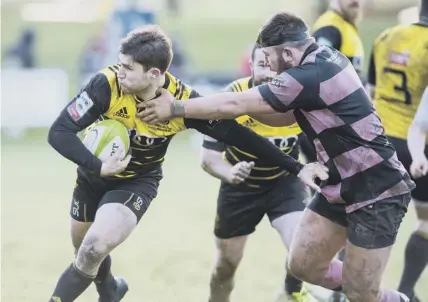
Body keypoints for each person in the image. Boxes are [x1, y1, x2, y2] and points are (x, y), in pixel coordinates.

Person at [138, 12, 416, 302]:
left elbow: (237, 103)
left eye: (269, 59)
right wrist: (210, 110)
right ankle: (362, 288)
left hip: (376, 187)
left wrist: (179, 107)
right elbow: (278, 117)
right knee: (302, 264)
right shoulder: (322, 58)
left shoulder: (309, 75)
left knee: (362, 292)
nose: (268, 67)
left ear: (287, 52)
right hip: (340, 182)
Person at [46, 25, 328, 302]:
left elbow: (241, 135)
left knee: (93, 248)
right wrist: (97, 166)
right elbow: (59, 131)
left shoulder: (183, 104)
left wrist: (297, 167)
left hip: (136, 182)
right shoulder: (105, 85)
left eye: (128, 68)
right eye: (119, 64)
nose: (119, 72)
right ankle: (109, 291)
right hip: (91, 178)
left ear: (153, 74)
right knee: (85, 253)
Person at [201, 45, 316, 302]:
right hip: (239, 190)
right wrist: (230, 173)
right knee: (225, 266)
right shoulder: (232, 97)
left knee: (302, 250)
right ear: (251, 66)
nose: (270, 71)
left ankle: (291, 291)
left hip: (284, 184)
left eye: (276, 65)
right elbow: (208, 159)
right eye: (263, 64)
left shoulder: (299, 98)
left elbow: (315, 146)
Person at [367, 3, 428, 299]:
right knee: (426, 220)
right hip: (416, 145)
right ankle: (405, 289)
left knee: (360, 216)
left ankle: (341, 289)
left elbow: (370, 90)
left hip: (375, 139)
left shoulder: (385, 36)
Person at [300, 0, 366, 204]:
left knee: (337, 204)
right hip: (325, 129)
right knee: (331, 204)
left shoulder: (346, 27)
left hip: (338, 129)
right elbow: (316, 72)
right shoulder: (329, 28)